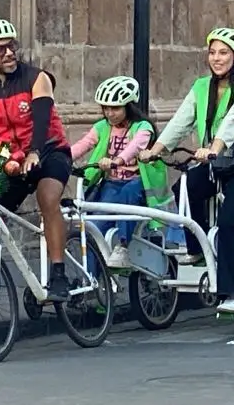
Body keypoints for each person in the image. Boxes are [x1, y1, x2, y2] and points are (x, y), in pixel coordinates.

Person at [141, 27, 234, 317]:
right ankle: (199, 248)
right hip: (218, 162)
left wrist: (214, 147)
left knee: (229, 222)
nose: (216, 58)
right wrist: (157, 149)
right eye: (212, 52)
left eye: (224, 52)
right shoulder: (202, 87)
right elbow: (181, 120)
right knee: (185, 188)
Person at [0, 18, 75, 302]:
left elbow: (43, 119)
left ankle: (58, 273)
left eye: (11, 46)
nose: (8, 53)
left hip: (49, 151)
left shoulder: (36, 78)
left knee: (48, 198)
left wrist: (34, 151)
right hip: (12, 160)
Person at [72, 75, 168, 270]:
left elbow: (135, 147)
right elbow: (83, 144)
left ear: (129, 106)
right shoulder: (102, 127)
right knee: (93, 227)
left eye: (115, 108)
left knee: (128, 193)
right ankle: (92, 283)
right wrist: (61, 159)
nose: (109, 113)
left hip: (138, 182)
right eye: (105, 108)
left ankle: (123, 246)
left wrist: (117, 160)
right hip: (112, 183)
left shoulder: (143, 127)